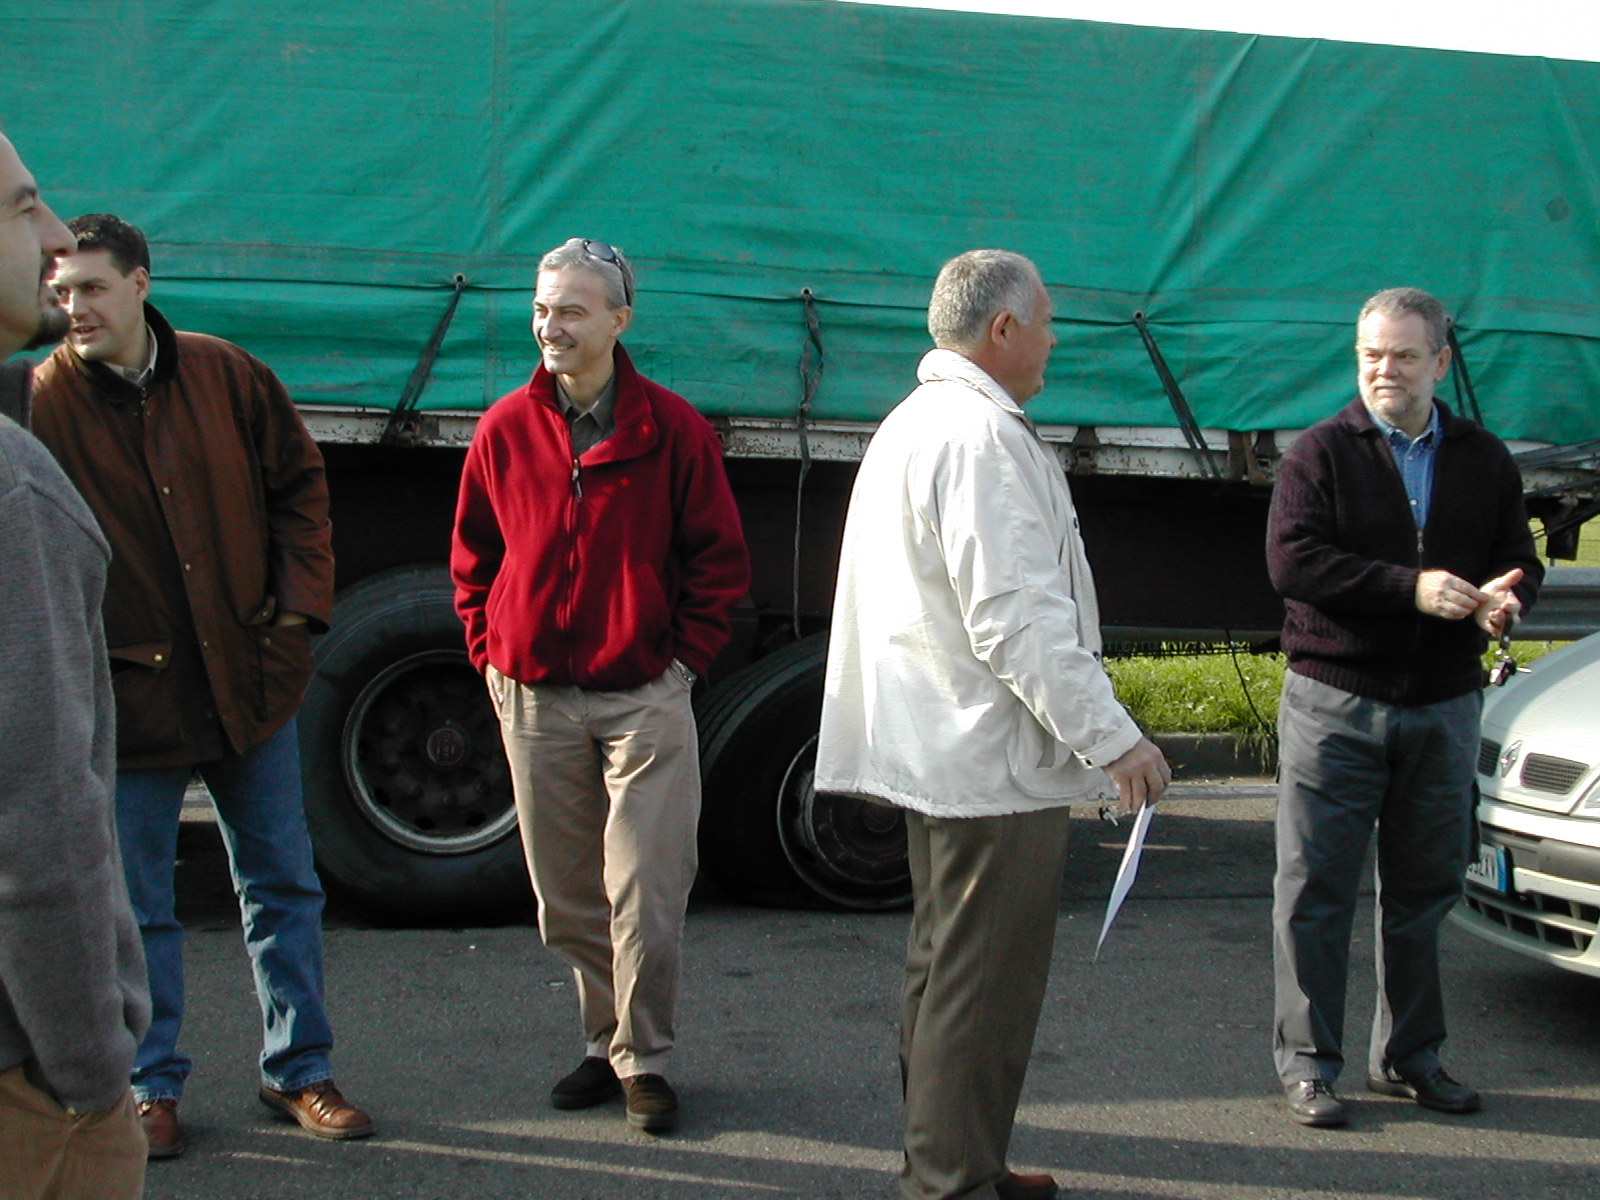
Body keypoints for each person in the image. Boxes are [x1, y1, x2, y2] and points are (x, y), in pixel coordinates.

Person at [816, 248, 1170, 1200]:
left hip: (948, 752)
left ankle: (955, 1163)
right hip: (987, 763)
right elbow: (1018, 620)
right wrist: (1115, 739)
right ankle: (951, 1181)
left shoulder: (919, 421)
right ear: (1002, 329)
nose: (1054, 340)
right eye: (1045, 322)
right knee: (980, 986)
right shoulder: (979, 437)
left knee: (947, 974)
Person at [30, 213, 373, 1158]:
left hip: (251, 682)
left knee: (283, 884)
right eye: (61, 293)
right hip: (126, 700)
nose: (74, 308)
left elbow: (299, 489)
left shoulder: (227, 374)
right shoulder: (40, 403)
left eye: (92, 288)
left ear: (141, 284)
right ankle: (149, 1088)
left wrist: (296, 615)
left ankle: (299, 1069)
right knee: (135, 909)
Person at [451, 237, 749, 1134]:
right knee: (567, 898)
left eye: (572, 311)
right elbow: (474, 556)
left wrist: (682, 663)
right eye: (542, 310)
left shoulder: (674, 431)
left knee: (647, 892)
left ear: (620, 320)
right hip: (533, 695)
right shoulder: (504, 429)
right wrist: (490, 650)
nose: (551, 327)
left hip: (642, 695)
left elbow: (719, 563)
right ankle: (603, 1041)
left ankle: (644, 1059)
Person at [1267, 286, 1543, 1127]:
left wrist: (1506, 600)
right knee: (1314, 891)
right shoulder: (1320, 453)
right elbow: (1293, 563)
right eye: (1371, 355)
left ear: (1441, 363)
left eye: (1404, 355)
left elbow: (1518, 558)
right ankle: (1309, 1065)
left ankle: (1410, 1056)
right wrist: (1410, 589)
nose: (1385, 370)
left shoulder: (1484, 459)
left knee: (1423, 894)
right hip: (1336, 702)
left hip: (1444, 704)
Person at [0, 133, 151, 1199]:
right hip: (27, 1085)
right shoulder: (13, 485)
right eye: (21, 208)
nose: (55, 237)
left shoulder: (223, 379)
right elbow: (35, 824)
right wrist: (92, 1074)